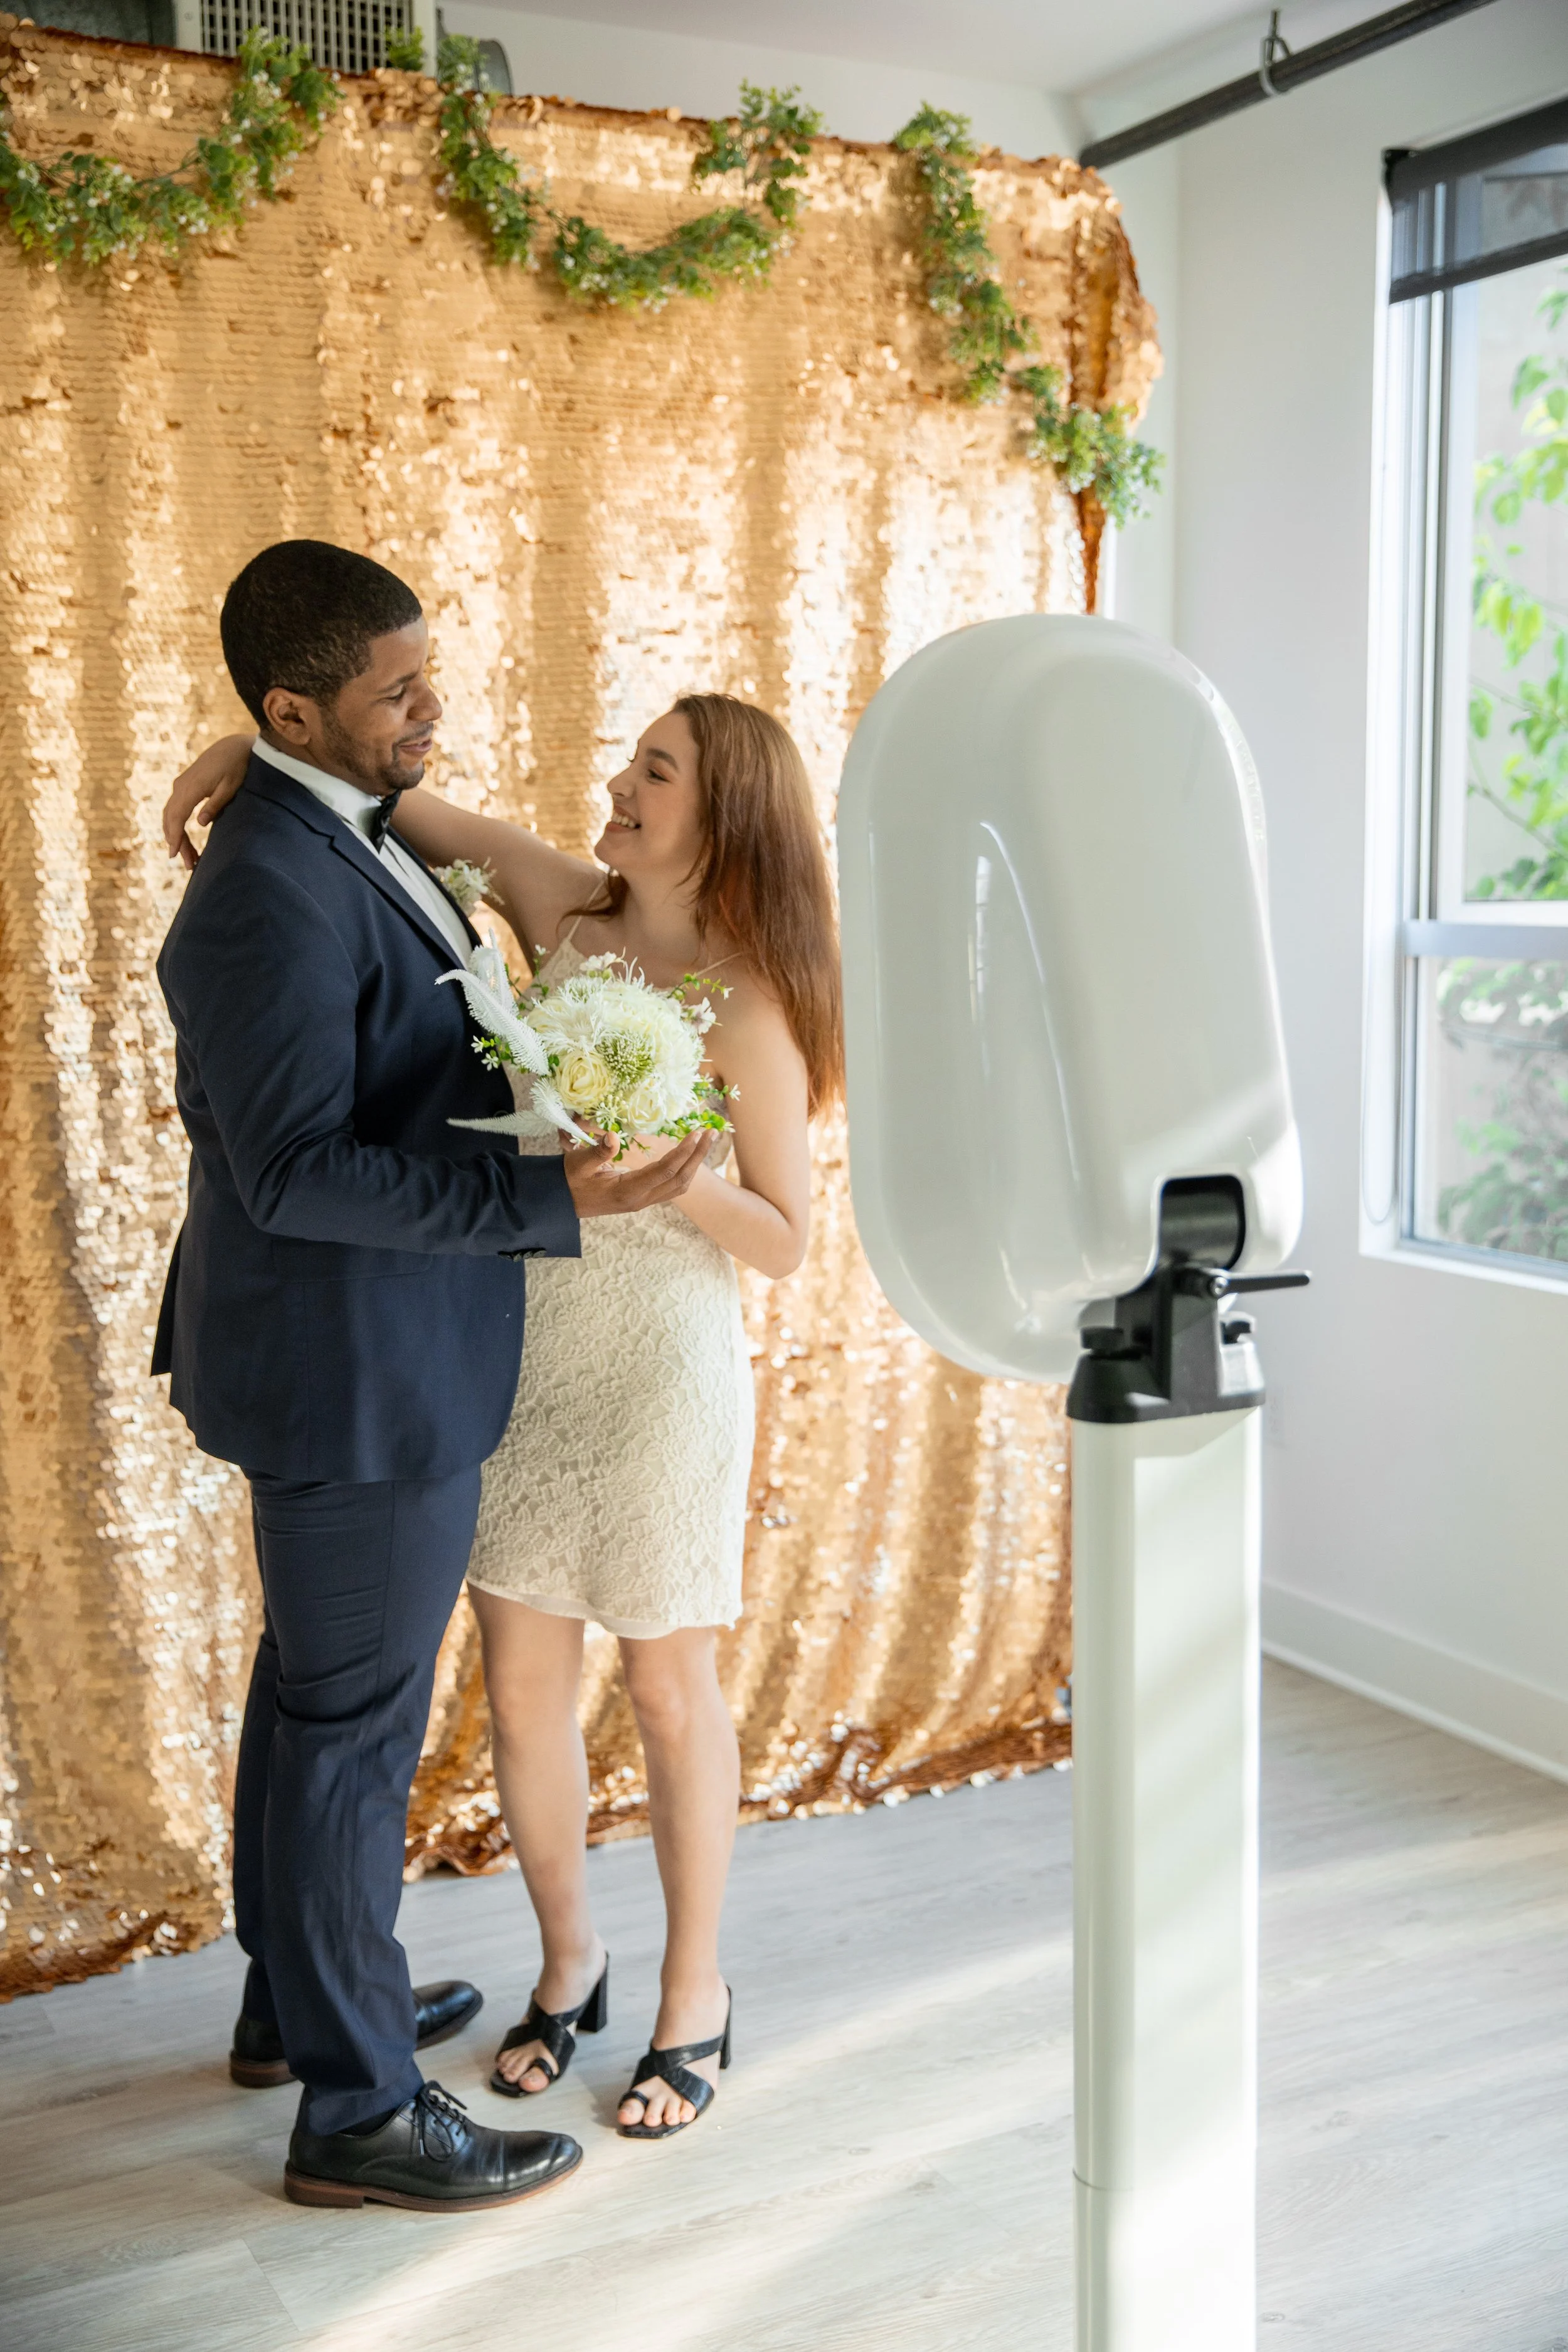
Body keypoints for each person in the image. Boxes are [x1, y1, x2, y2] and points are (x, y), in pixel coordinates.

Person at [166, 688, 844, 2142]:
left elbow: (786, 1237)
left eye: (652, 770)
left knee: (669, 1695)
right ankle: (567, 1967)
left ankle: (694, 1997)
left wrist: (673, 1167)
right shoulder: (564, 907)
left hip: (662, 1367)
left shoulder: (758, 999)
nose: (617, 779)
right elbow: (387, 806)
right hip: (521, 1350)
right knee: (522, 1691)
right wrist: (246, 755)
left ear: (720, 816)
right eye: (629, 758)